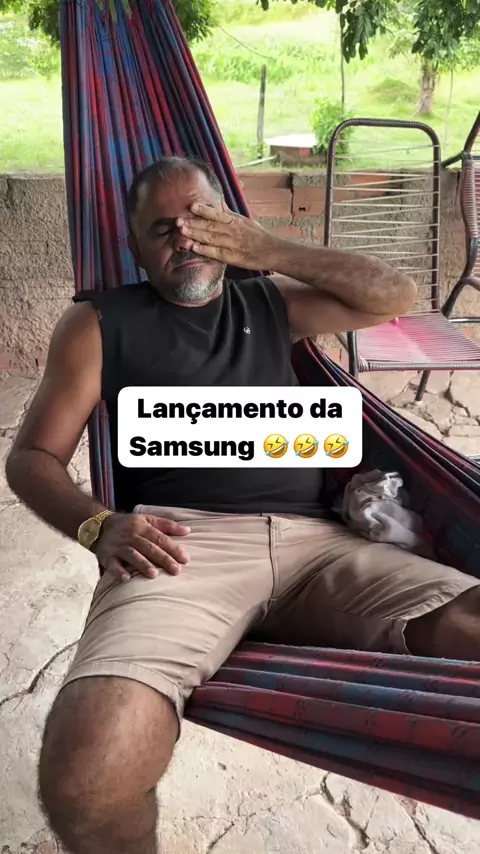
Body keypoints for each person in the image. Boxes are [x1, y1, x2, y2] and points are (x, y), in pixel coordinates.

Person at [5, 155, 480, 854]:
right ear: (133, 246)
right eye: (162, 228)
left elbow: (395, 294)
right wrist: (97, 524)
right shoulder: (99, 323)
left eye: (201, 219)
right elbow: (31, 458)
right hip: (181, 551)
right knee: (87, 781)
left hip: (323, 548)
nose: (185, 237)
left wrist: (267, 249)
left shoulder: (272, 302)